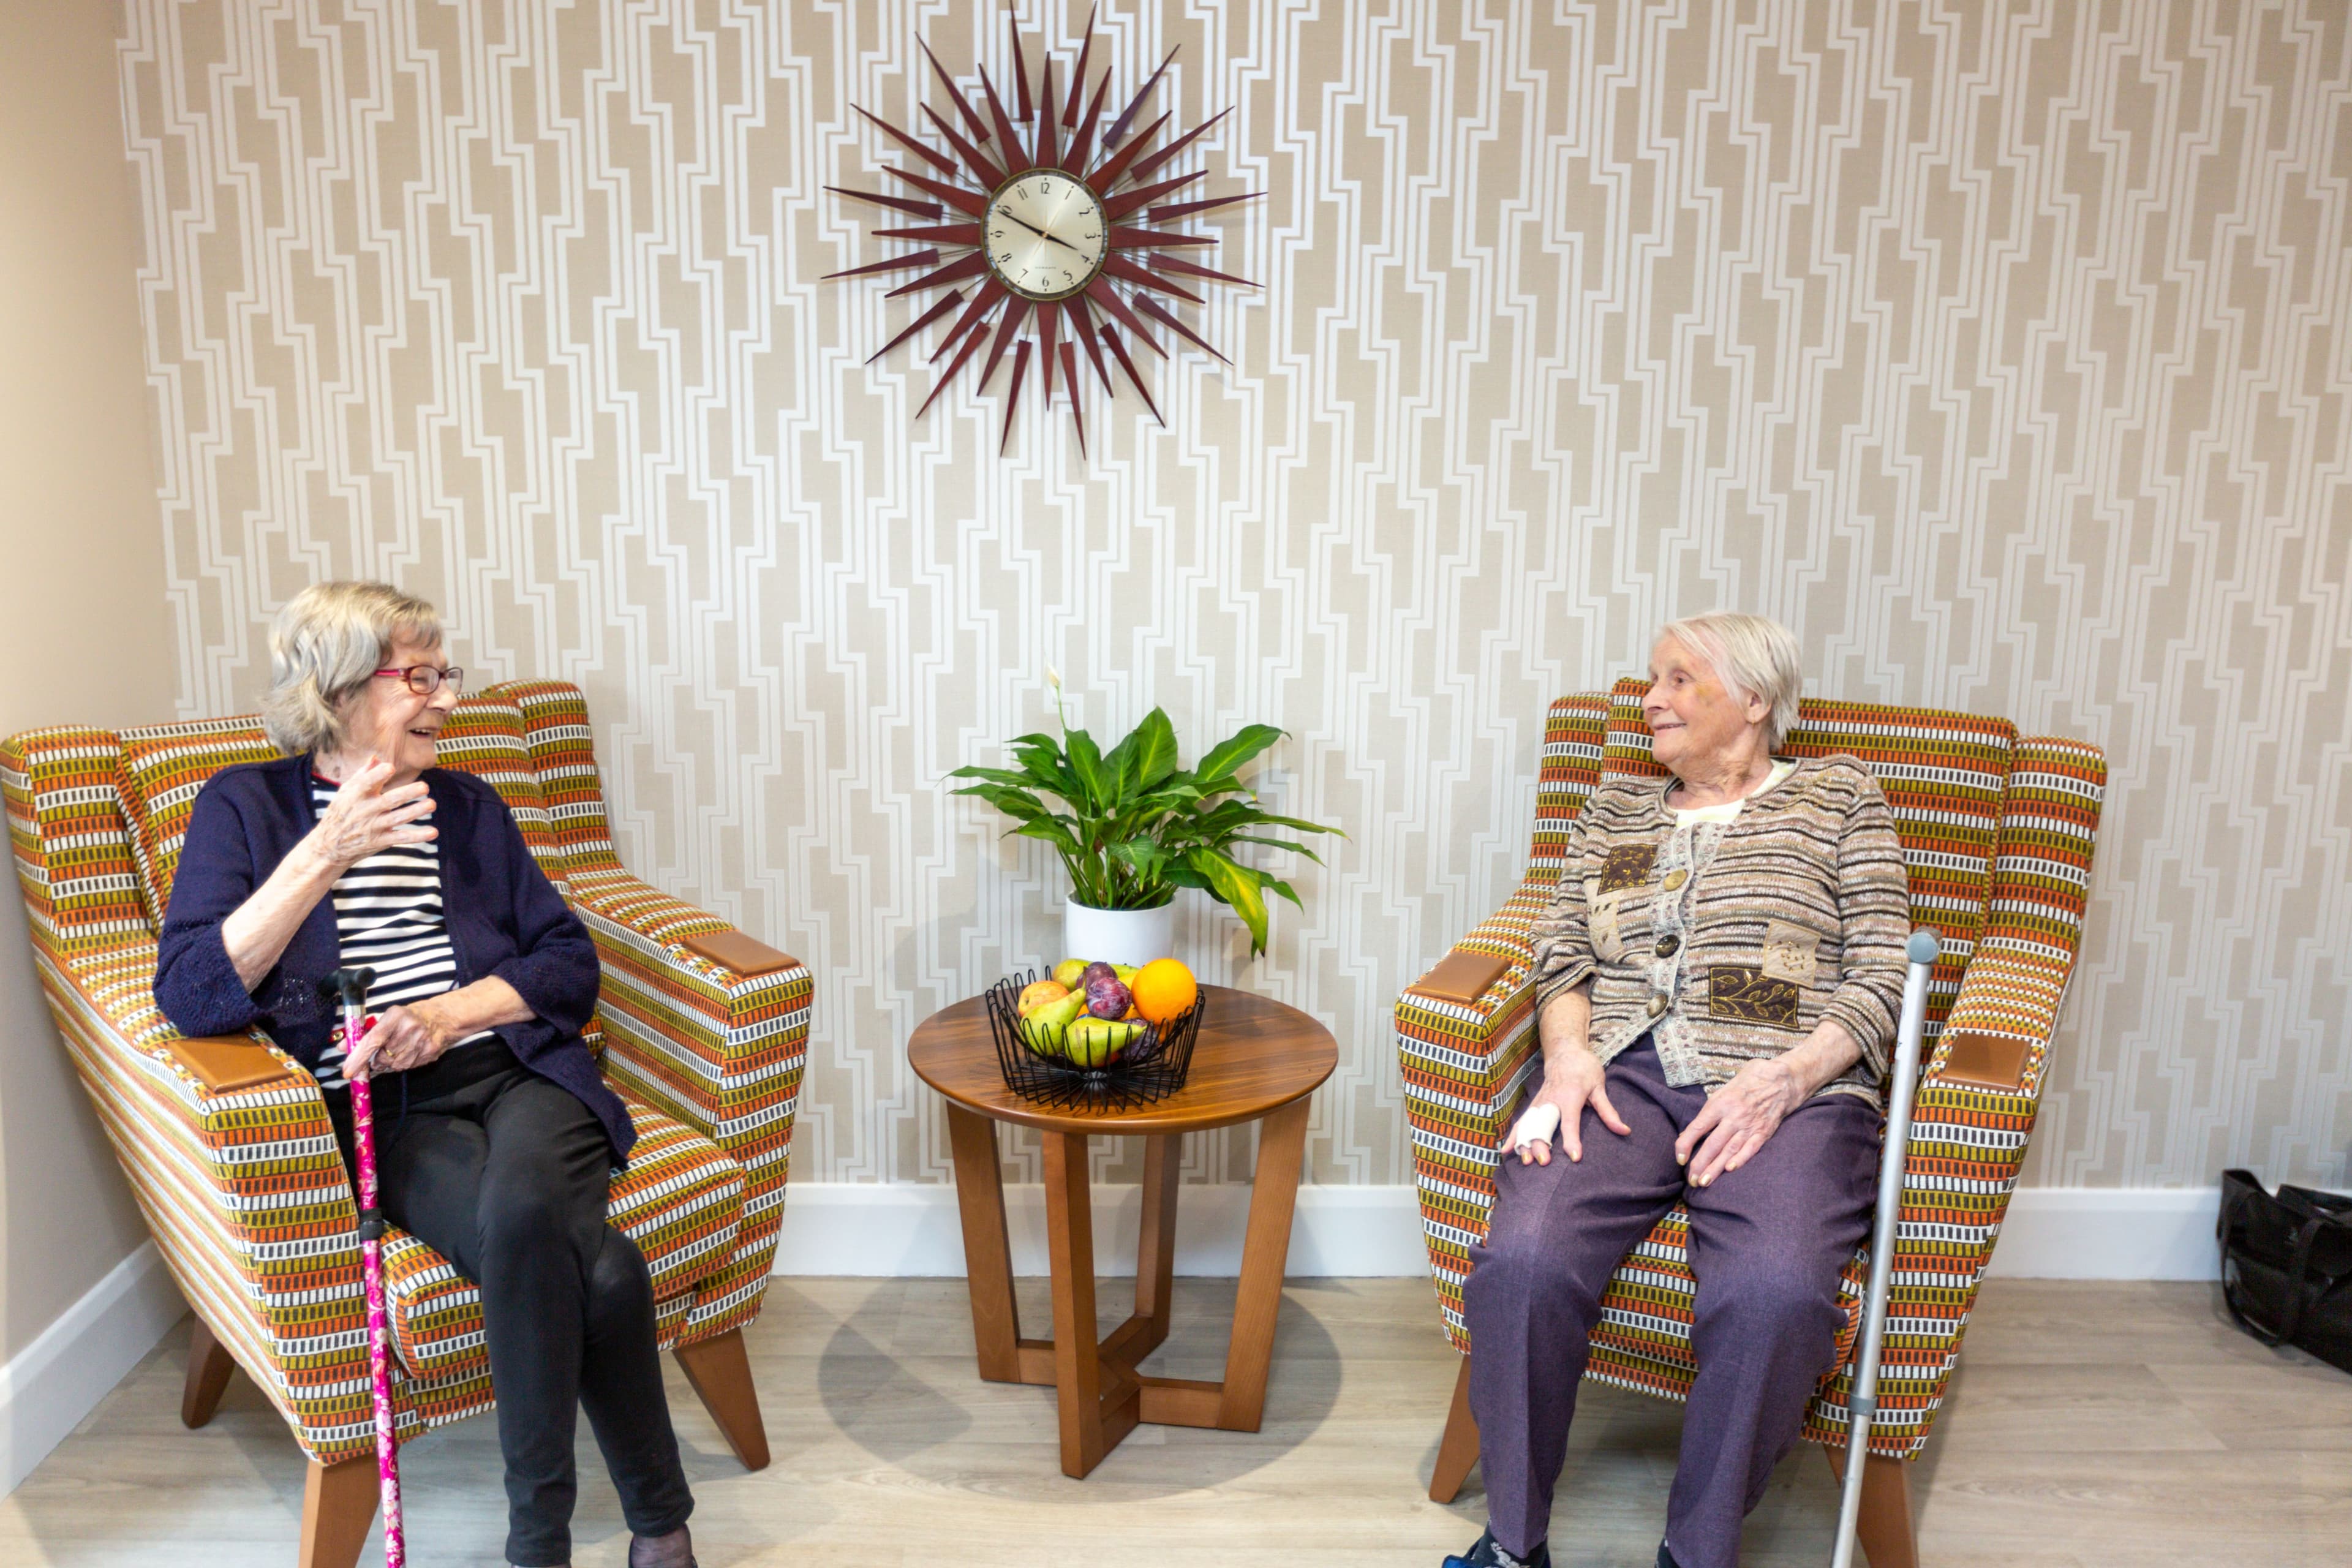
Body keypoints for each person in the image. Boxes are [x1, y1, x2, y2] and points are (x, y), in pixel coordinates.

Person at [154, 581, 696, 1568]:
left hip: (523, 1074)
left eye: (446, 672)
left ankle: (538, 1543)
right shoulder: (245, 807)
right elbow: (193, 996)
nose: (447, 697)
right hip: (388, 1116)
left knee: (532, 1215)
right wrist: (325, 853)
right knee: (600, 1264)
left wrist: (447, 1014)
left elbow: (568, 965)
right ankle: (661, 1531)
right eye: (422, 676)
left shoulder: (469, 806)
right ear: (341, 687)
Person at [1445, 613, 1911, 1568]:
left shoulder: (1839, 796)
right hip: (1618, 1076)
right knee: (1521, 1264)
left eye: (1678, 679)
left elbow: (1882, 974)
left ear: (1754, 700)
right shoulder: (1614, 810)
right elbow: (1562, 950)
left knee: (1776, 1294)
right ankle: (1512, 1543)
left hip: (1794, 1093)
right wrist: (1568, 1057)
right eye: (1649, 679)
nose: (1649, 698)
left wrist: (1786, 1080)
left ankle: (1698, 1552)